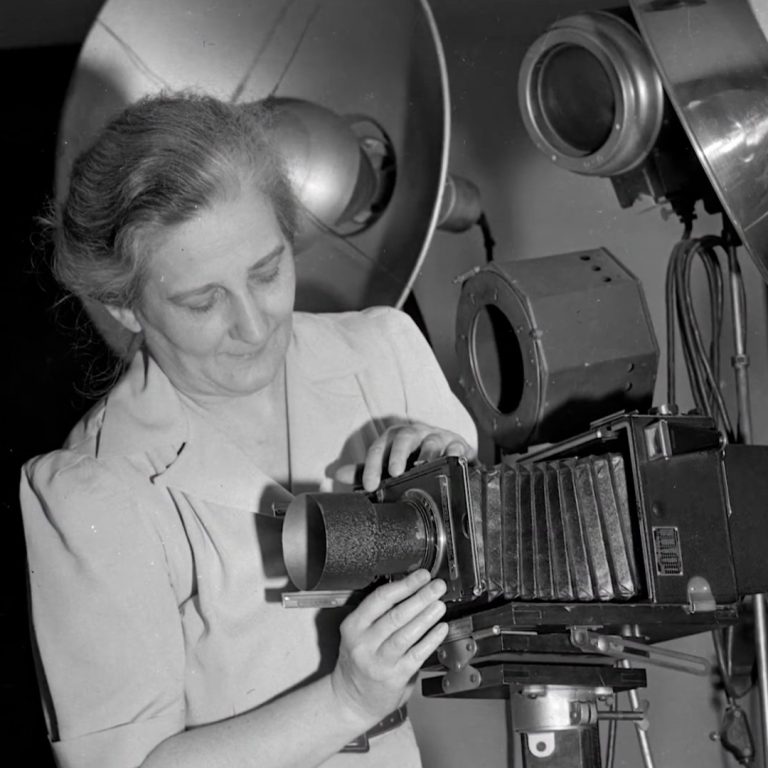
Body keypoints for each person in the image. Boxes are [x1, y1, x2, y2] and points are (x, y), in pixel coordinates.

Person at [20, 92, 478, 768]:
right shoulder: (94, 490)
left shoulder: (384, 354)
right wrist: (346, 701)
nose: (254, 325)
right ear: (125, 307)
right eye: (202, 301)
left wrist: (468, 496)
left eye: (267, 272)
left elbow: (515, 604)